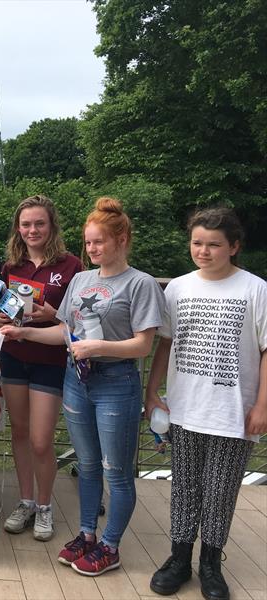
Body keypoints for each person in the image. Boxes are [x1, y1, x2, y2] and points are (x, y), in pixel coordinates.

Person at [1, 197, 165, 576]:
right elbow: (64, 331)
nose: (91, 249)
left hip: (116, 383)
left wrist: (97, 347)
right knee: (88, 466)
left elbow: (143, 344)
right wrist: (22, 331)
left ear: (121, 239)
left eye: (99, 242)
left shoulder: (140, 283)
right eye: (88, 243)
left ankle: (111, 545)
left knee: (116, 470)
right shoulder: (81, 279)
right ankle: (88, 535)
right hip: (78, 381)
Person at [146, 207, 267, 600]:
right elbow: (164, 343)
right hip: (185, 407)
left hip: (232, 410)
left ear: (233, 246)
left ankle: (211, 565)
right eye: (197, 243)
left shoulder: (255, 289)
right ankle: (179, 559)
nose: (204, 250)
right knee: (184, 487)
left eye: (214, 244)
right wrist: (153, 392)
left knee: (220, 491)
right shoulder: (177, 288)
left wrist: (262, 406)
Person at [0, 195, 82, 542]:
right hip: (14, 355)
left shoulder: (71, 265)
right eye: (26, 224)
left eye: (39, 223)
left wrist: (53, 316)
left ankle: (45, 506)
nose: (32, 230)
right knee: (20, 434)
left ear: (51, 225)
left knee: (41, 441)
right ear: (18, 227)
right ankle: (26, 501)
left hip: (50, 360)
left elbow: (78, 321)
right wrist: (0, 316)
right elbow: (4, 309)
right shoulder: (10, 265)